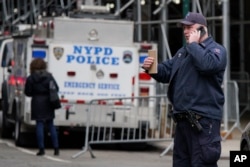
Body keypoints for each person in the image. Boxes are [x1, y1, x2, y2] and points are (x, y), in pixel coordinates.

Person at [142, 12, 227, 167]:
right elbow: (167, 71)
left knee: (202, 162)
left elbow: (207, 65)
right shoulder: (183, 52)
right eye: (184, 28)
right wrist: (152, 68)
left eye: (190, 27)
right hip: (183, 122)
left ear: (202, 29)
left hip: (203, 122)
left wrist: (194, 45)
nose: (185, 31)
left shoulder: (217, 50)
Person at [24, 58, 60, 156]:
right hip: (48, 101)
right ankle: (56, 148)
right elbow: (56, 88)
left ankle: (41, 149)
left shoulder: (31, 78)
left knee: (39, 124)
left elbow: (27, 92)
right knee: (51, 124)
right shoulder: (49, 76)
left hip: (37, 102)